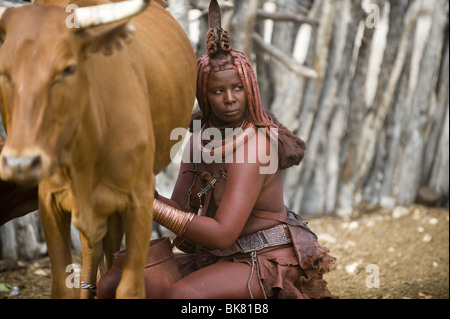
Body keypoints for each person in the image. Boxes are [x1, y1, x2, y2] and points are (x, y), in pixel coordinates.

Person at [98, 0, 336, 299]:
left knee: (184, 296)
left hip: (263, 258)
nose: (230, 98)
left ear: (250, 88)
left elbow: (223, 234)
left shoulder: (256, 146)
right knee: (112, 283)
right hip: (217, 256)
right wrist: (143, 192)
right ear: (204, 95)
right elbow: (183, 211)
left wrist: (149, 205)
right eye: (217, 91)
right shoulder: (200, 139)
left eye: (237, 88)